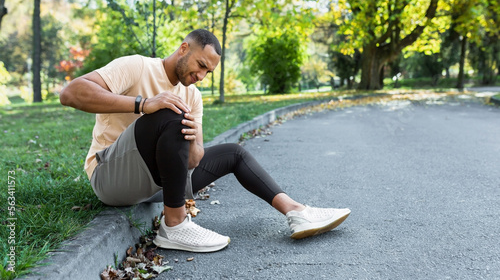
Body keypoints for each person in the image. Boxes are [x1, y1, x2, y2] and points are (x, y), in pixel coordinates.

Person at [60, 29, 350, 253]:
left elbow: (193, 160)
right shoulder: (137, 67)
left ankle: (297, 213)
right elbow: (71, 93)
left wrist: (193, 141)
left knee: (233, 153)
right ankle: (174, 226)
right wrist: (144, 104)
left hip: (153, 183)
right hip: (110, 177)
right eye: (200, 65)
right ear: (184, 48)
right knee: (169, 111)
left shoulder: (193, 96)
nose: (201, 76)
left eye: (207, 72)